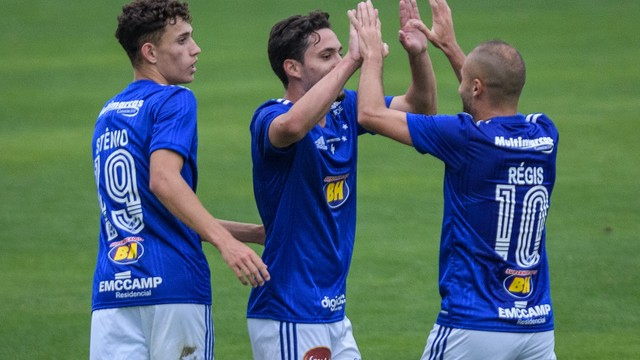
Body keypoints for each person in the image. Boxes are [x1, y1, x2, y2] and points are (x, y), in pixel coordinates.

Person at [350, 0, 558, 359]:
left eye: (464, 82)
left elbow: (370, 114)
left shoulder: (465, 137)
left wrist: (371, 55)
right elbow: (493, 95)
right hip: (537, 326)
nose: (459, 86)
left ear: (475, 87)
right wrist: (447, 46)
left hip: (473, 323)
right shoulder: (544, 135)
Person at [246, 1, 437, 359]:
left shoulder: (343, 109)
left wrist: (418, 54)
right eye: (327, 55)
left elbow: (421, 109)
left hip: (331, 311)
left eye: (339, 52)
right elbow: (293, 127)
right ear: (293, 68)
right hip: (290, 311)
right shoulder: (270, 117)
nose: (339, 60)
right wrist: (354, 60)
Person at [90, 0, 270, 359]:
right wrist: (226, 243)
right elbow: (164, 182)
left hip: (113, 290)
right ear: (150, 52)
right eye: (183, 40)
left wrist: (253, 234)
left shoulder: (108, 114)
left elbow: (155, 211)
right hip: (173, 286)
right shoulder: (174, 99)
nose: (195, 48)